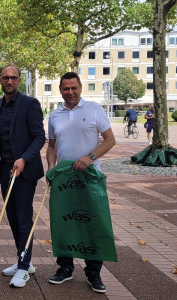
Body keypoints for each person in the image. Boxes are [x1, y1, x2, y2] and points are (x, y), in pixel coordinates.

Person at [46, 72, 116, 294]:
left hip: (90, 178)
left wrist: (90, 157)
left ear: (80, 87)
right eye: (66, 88)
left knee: (91, 223)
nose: (70, 92)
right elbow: (52, 146)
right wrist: (50, 167)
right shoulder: (54, 115)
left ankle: (93, 273)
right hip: (64, 179)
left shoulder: (94, 109)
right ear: (60, 90)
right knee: (63, 220)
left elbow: (110, 140)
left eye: (74, 88)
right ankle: (65, 268)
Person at [0, 64, 46, 288]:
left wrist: (23, 159)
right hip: (5, 170)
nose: (10, 81)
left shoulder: (30, 104)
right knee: (12, 217)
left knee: (23, 218)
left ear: (19, 79)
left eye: (14, 78)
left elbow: (39, 137)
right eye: (6, 77)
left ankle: (23, 268)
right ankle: (24, 260)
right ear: (0, 80)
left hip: (24, 171)